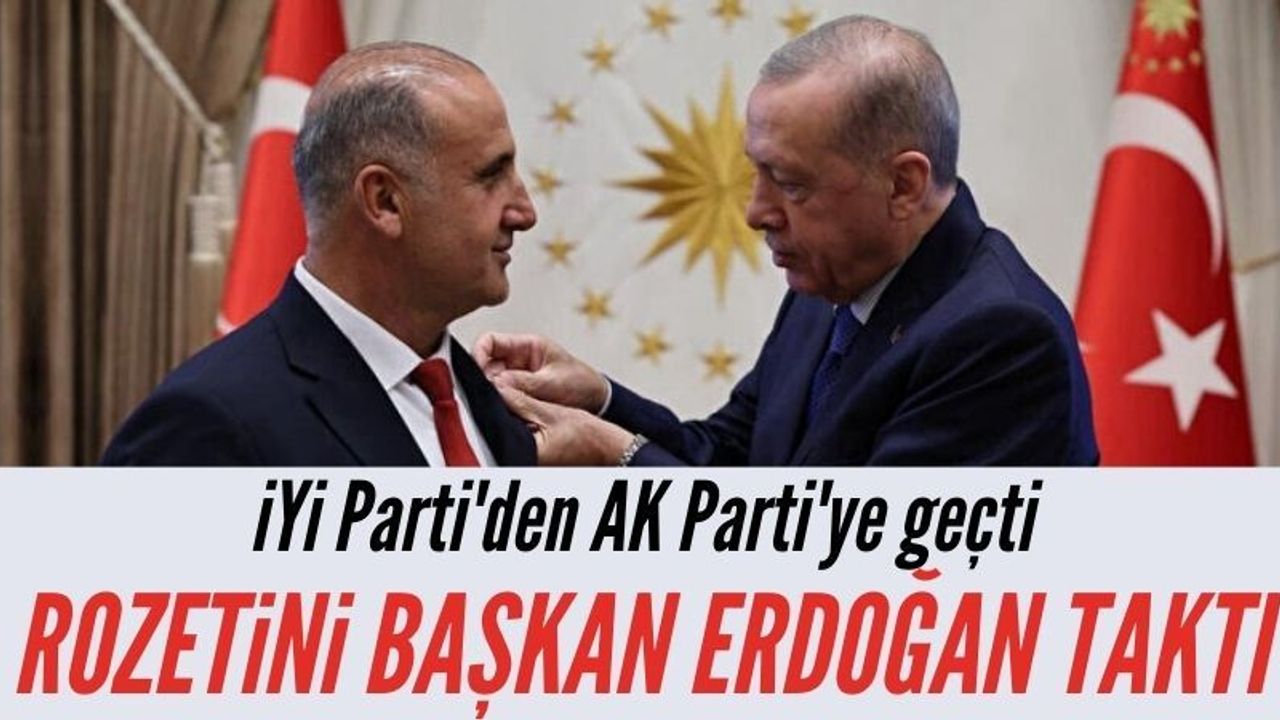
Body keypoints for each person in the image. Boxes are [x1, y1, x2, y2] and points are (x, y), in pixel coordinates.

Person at [477, 15, 1099, 466]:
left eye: (792, 184)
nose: (755, 213)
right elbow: (733, 460)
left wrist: (616, 455)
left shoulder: (1001, 337)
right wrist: (601, 400)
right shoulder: (833, 280)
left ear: (903, 184)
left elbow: (845, 569)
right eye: (758, 173)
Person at [103, 42, 538, 465]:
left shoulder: (491, 400)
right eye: (490, 177)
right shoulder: (207, 425)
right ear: (385, 201)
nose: (525, 213)